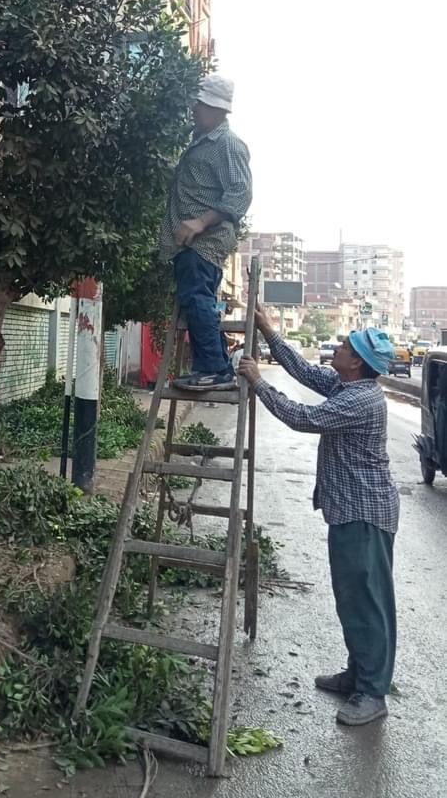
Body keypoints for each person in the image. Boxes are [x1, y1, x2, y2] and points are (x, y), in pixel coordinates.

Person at [238, 309, 398, 727]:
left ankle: (373, 692)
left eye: (345, 346)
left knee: (367, 601)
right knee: (351, 597)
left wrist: (258, 383)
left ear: (358, 361)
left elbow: (303, 418)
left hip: (364, 513)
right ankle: (358, 673)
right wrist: (270, 333)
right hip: (349, 508)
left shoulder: (361, 400)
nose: (338, 348)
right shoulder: (348, 384)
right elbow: (307, 373)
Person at [159, 74, 252, 390]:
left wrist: (199, 222)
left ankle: (215, 370)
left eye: (199, 104)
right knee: (197, 302)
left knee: (197, 299)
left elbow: (240, 194)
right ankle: (214, 367)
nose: (193, 108)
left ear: (216, 108)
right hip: (188, 243)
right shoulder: (201, 141)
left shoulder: (228, 145)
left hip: (205, 241)